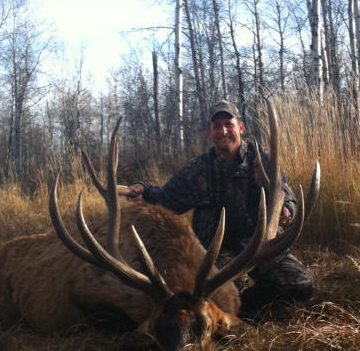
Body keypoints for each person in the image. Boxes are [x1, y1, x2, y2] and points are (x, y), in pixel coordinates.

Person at [127, 100, 315, 314]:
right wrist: (145, 190)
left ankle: (241, 309)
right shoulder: (198, 169)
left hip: (260, 248)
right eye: (217, 126)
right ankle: (235, 310)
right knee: (208, 291)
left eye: (229, 124)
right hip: (214, 254)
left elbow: (286, 196)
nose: (223, 131)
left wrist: (287, 209)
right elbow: (168, 199)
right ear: (209, 132)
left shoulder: (262, 163)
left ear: (241, 128)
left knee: (301, 284)